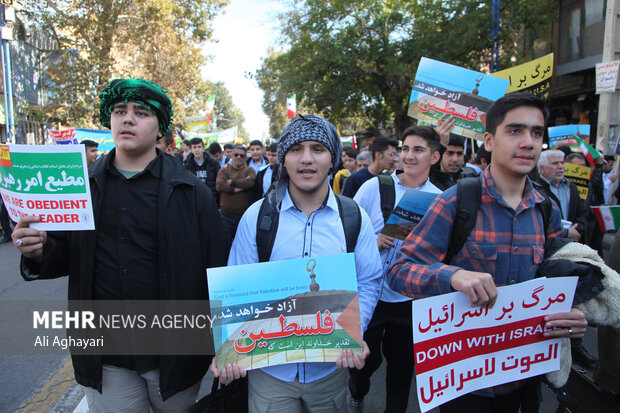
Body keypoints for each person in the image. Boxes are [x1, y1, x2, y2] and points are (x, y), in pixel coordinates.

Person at [11, 78, 228, 412]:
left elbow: (217, 268)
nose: (128, 119)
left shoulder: (191, 191)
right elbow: (64, 253)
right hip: (106, 353)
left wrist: (223, 340)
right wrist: (38, 251)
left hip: (174, 352)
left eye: (141, 112)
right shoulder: (79, 186)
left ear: (160, 129)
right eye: (119, 111)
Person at [387, 93, 587, 413]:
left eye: (536, 133)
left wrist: (573, 315)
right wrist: (454, 276)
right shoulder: (456, 202)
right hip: (464, 384)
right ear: (489, 141)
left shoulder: (545, 209)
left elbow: (554, 279)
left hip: (524, 376)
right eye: (515, 131)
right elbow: (399, 271)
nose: (528, 142)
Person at [211, 114, 382, 412]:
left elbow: (368, 280)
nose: (306, 159)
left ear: (333, 159)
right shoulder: (257, 218)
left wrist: (355, 330)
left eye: (318, 149)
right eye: (295, 149)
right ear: (283, 159)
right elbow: (236, 287)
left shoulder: (353, 217)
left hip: (329, 370)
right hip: (269, 372)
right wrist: (229, 348)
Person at [348, 126, 442, 413]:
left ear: (434, 157)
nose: (408, 156)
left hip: (409, 298)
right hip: (370, 293)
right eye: (405, 149)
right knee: (363, 362)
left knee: (402, 370)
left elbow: (441, 248)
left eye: (418, 150)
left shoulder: (441, 198)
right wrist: (372, 243)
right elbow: (347, 231)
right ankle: (357, 394)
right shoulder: (374, 186)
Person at [536, 149, 589, 242]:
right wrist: (565, 232)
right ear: (542, 168)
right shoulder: (535, 190)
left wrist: (577, 229)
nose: (560, 167)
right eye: (555, 163)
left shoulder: (571, 187)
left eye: (562, 162)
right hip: (548, 245)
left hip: (572, 243)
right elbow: (538, 221)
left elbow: (583, 212)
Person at [215, 144, 256, 242]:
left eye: (242, 155)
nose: (238, 157)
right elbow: (219, 186)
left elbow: (250, 183)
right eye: (236, 154)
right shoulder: (223, 171)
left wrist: (231, 182)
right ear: (231, 156)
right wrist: (240, 187)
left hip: (244, 216)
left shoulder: (250, 170)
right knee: (224, 245)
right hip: (225, 216)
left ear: (246, 158)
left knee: (243, 246)